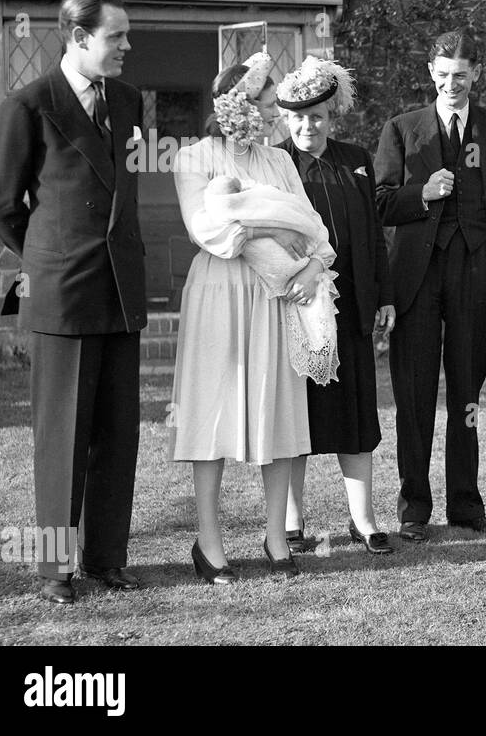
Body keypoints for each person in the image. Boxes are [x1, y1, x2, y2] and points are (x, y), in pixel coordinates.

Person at [0, 0, 145, 604]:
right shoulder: (27, 105)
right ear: (79, 38)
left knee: (117, 433)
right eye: (117, 37)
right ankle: (55, 569)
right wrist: (46, 262)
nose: (128, 47)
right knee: (63, 438)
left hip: (121, 290)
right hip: (63, 294)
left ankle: (106, 560)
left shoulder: (129, 101)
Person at [170, 52, 336, 583]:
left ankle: (274, 536)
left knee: (279, 408)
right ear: (234, 106)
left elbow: (312, 230)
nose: (272, 115)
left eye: (273, 106)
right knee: (213, 409)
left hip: (278, 295)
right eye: (265, 105)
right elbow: (212, 230)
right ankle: (209, 542)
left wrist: (311, 264)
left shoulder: (281, 162)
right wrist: (270, 231)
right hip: (220, 293)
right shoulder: (194, 158)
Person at [374, 30, 486, 541]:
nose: (452, 83)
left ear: (475, 73)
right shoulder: (402, 128)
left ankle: (466, 504)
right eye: (442, 75)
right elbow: (382, 202)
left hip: (475, 273)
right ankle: (414, 508)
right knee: (413, 396)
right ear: (430, 74)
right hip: (415, 275)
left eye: (460, 74)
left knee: (467, 393)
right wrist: (425, 193)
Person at [276, 57, 396, 555]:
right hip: (297, 307)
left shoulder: (356, 160)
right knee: (296, 414)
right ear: (286, 118)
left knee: (354, 415)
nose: (309, 125)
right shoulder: (275, 163)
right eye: (299, 116)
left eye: (318, 115)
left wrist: (383, 295)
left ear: (332, 115)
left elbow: (372, 233)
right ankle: (291, 522)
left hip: (351, 312)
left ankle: (363, 521)